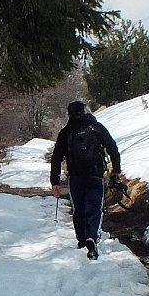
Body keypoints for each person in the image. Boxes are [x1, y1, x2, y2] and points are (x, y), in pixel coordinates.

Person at [50, 101, 122, 260]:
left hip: (75, 176)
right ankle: (92, 238)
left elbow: (56, 158)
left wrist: (54, 182)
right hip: (95, 174)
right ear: (85, 111)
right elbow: (112, 148)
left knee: (79, 208)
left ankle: (82, 240)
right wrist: (116, 171)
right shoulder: (97, 128)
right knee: (95, 207)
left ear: (69, 114)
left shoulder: (66, 131)